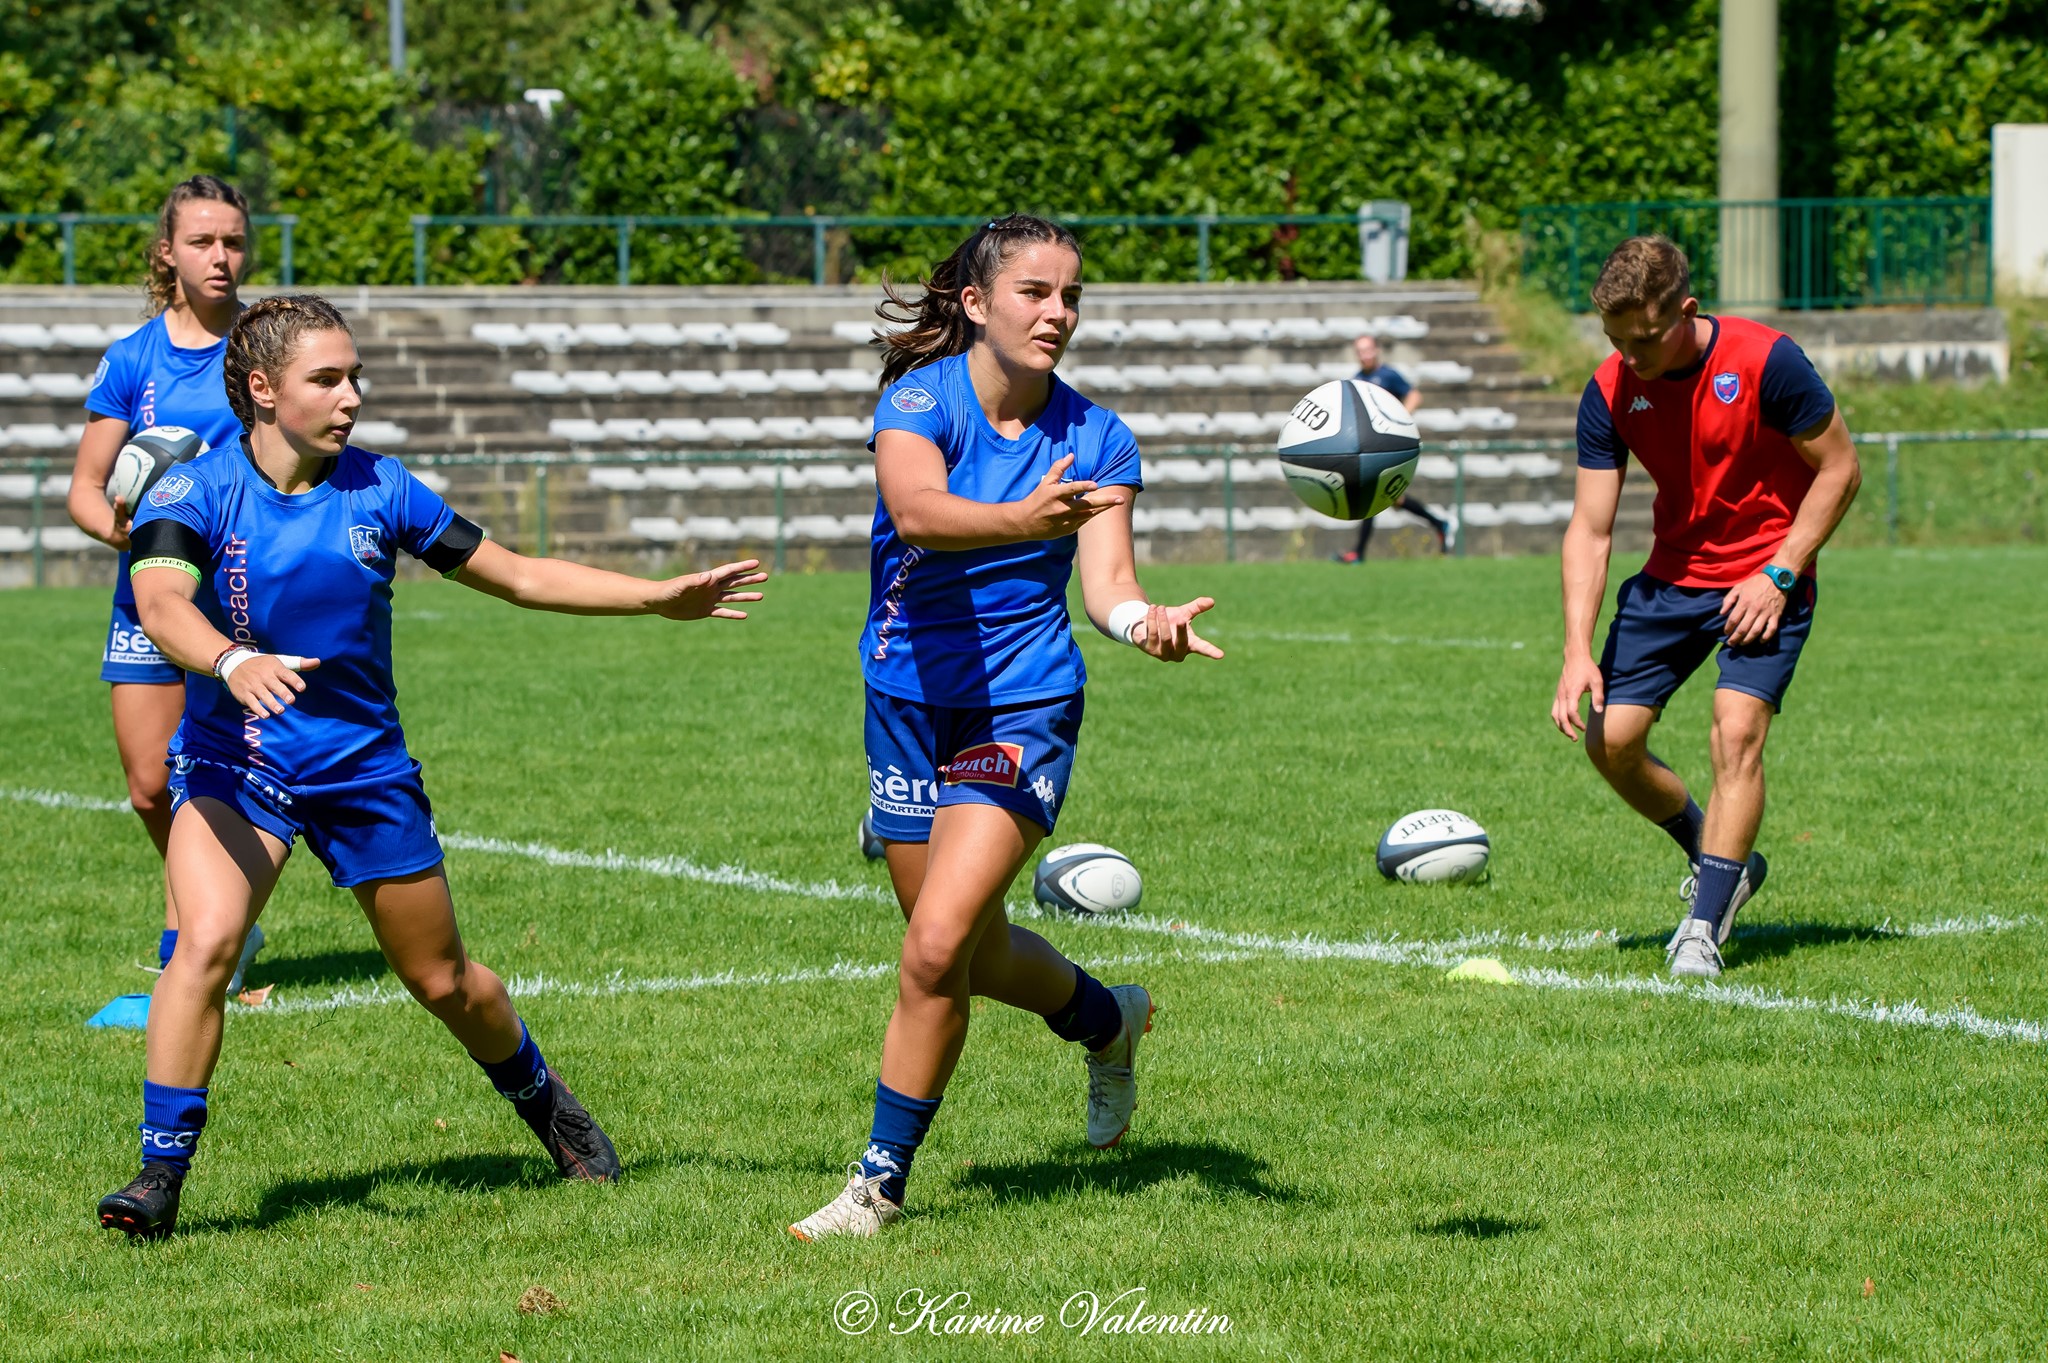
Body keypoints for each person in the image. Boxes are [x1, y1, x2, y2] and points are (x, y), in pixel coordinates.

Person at [97, 295, 768, 1238]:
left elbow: (519, 573)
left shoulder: (382, 488)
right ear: (261, 390)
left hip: (364, 771)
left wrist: (654, 597)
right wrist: (232, 660)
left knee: (444, 981)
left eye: (355, 376)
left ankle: (547, 1104)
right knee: (204, 945)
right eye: (326, 379)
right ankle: (157, 1179)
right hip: (237, 762)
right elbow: (161, 601)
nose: (351, 396)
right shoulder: (194, 491)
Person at [788, 216, 1223, 1240]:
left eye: (1069, 295)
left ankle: (874, 1188)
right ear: (978, 305)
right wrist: (1025, 519)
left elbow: (1109, 586)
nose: (1057, 313)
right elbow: (922, 512)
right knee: (966, 954)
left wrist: (1143, 625)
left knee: (934, 949)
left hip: (1021, 707)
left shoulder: (1097, 436)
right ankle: (1106, 1017)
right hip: (902, 701)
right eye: (1034, 292)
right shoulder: (916, 401)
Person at [1550, 236, 1860, 979]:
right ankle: (1720, 858)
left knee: (1736, 731)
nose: (1631, 355)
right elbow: (1590, 530)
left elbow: (1841, 468)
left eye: (1646, 338)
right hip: (1669, 580)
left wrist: (1781, 570)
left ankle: (1700, 930)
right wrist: (1574, 649)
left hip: (1765, 579)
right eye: (1615, 339)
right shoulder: (1612, 388)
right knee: (1610, 744)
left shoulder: (1766, 361)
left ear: (1686, 310)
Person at [68, 176, 266, 998]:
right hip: (147, 593)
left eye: (233, 242)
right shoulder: (135, 358)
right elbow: (85, 487)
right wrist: (123, 530)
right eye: (202, 242)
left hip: (235, 596)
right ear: (167, 253)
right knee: (151, 785)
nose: (221, 257)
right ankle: (225, 920)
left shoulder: (264, 345)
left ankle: (195, 937)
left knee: (213, 776)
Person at [1334, 332, 1449, 562]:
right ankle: (1439, 523)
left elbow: (1415, 396)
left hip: (1388, 446)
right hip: (1370, 447)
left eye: (1368, 349)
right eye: (1360, 351)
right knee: (1385, 497)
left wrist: (1398, 422)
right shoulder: (1357, 379)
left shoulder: (1387, 375)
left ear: (1376, 351)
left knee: (1372, 493)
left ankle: (1358, 553)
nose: (1365, 354)